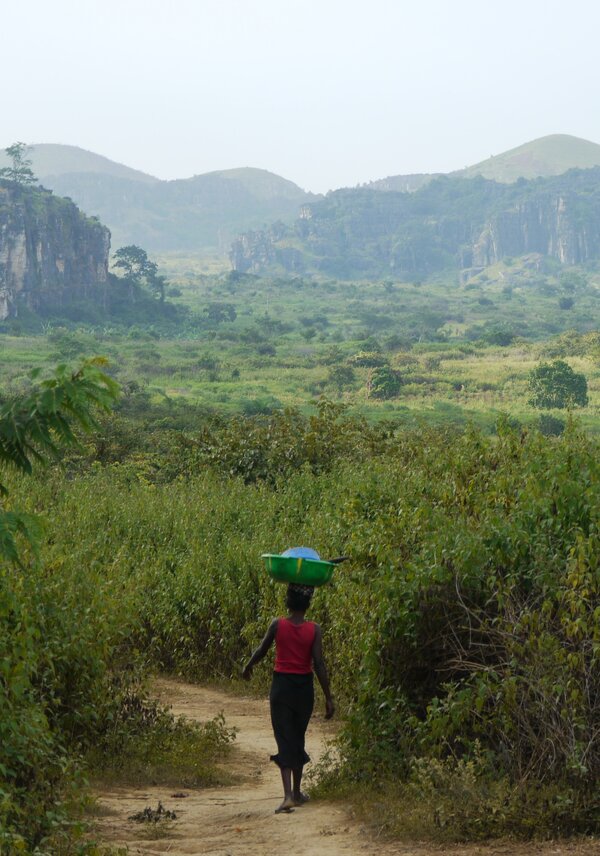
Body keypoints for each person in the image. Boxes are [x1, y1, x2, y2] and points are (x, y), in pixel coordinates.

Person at [242, 582, 334, 814]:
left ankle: (287, 797)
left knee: (284, 738)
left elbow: (261, 650)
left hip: (281, 688)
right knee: (298, 737)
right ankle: (297, 792)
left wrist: (248, 666)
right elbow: (319, 664)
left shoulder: (278, 624)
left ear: (288, 602)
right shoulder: (314, 629)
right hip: (304, 690)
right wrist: (328, 697)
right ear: (307, 604)